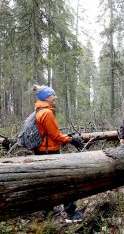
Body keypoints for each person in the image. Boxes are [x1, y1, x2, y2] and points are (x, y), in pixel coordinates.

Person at [32, 84, 85, 223]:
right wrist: (71, 140)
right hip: (50, 152)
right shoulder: (47, 113)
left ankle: (47, 211)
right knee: (65, 180)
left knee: (47, 181)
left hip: (41, 151)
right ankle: (71, 214)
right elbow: (55, 136)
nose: (55, 97)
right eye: (52, 95)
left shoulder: (38, 110)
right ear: (46, 97)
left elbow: (49, 134)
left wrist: (66, 137)